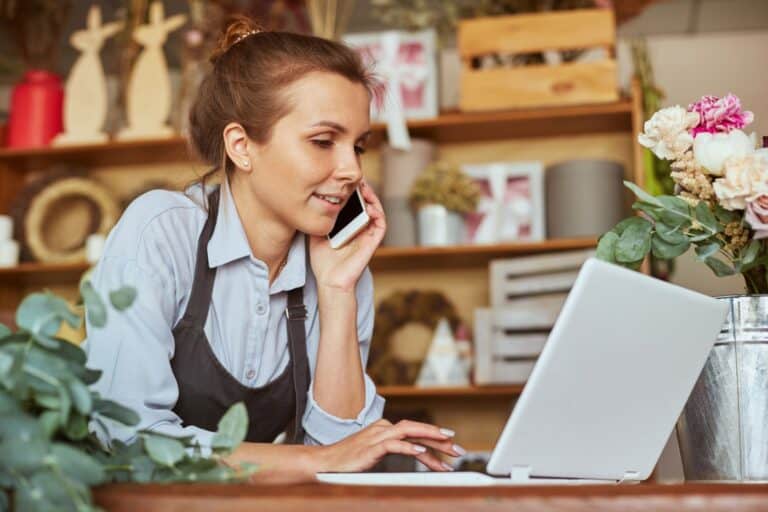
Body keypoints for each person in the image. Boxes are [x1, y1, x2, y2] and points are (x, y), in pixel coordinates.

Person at [84, 17, 462, 483]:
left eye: (359, 146)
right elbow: (127, 441)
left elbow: (345, 460)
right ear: (242, 146)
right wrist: (314, 462)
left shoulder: (339, 265)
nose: (351, 170)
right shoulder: (161, 232)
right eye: (324, 141)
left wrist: (338, 291)